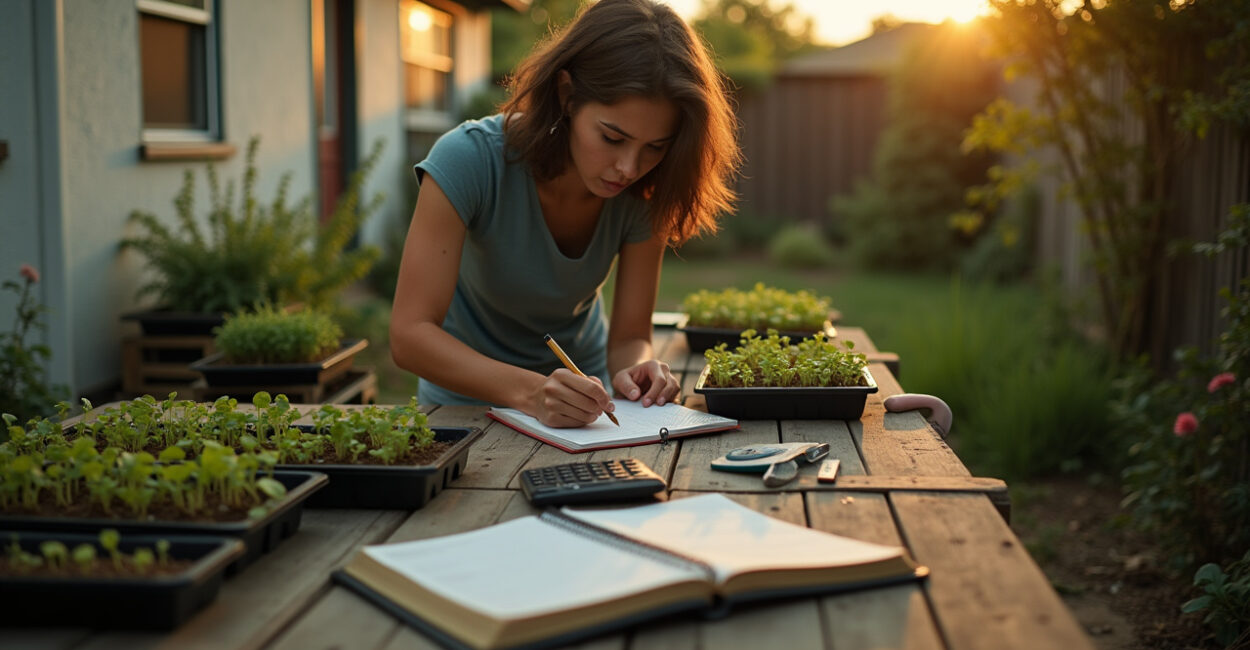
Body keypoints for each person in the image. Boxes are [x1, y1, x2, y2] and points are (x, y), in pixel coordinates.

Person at [390, 0, 740, 428]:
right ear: (566, 94)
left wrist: (636, 369)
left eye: (655, 146)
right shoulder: (469, 160)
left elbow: (631, 337)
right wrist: (531, 392)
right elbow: (410, 336)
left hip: (586, 412)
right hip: (464, 409)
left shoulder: (647, 191)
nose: (629, 168)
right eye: (613, 137)